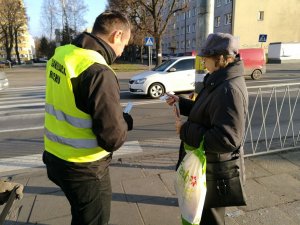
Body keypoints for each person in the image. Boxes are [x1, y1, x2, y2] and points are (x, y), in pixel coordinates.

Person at [43, 10, 133, 225]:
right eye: (125, 45)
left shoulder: (62, 54)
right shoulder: (98, 71)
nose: (121, 52)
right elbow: (112, 139)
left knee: (81, 214)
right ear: (117, 35)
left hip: (55, 157)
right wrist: (125, 122)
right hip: (85, 168)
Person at [166, 33, 248, 225]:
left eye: (206, 56)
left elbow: (227, 139)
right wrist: (182, 103)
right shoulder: (218, 79)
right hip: (207, 167)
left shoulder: (229, 88)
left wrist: (185, 130)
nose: (202, 60)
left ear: (220, 58)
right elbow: (207, 109)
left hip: (214, 172)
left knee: (210, 220)